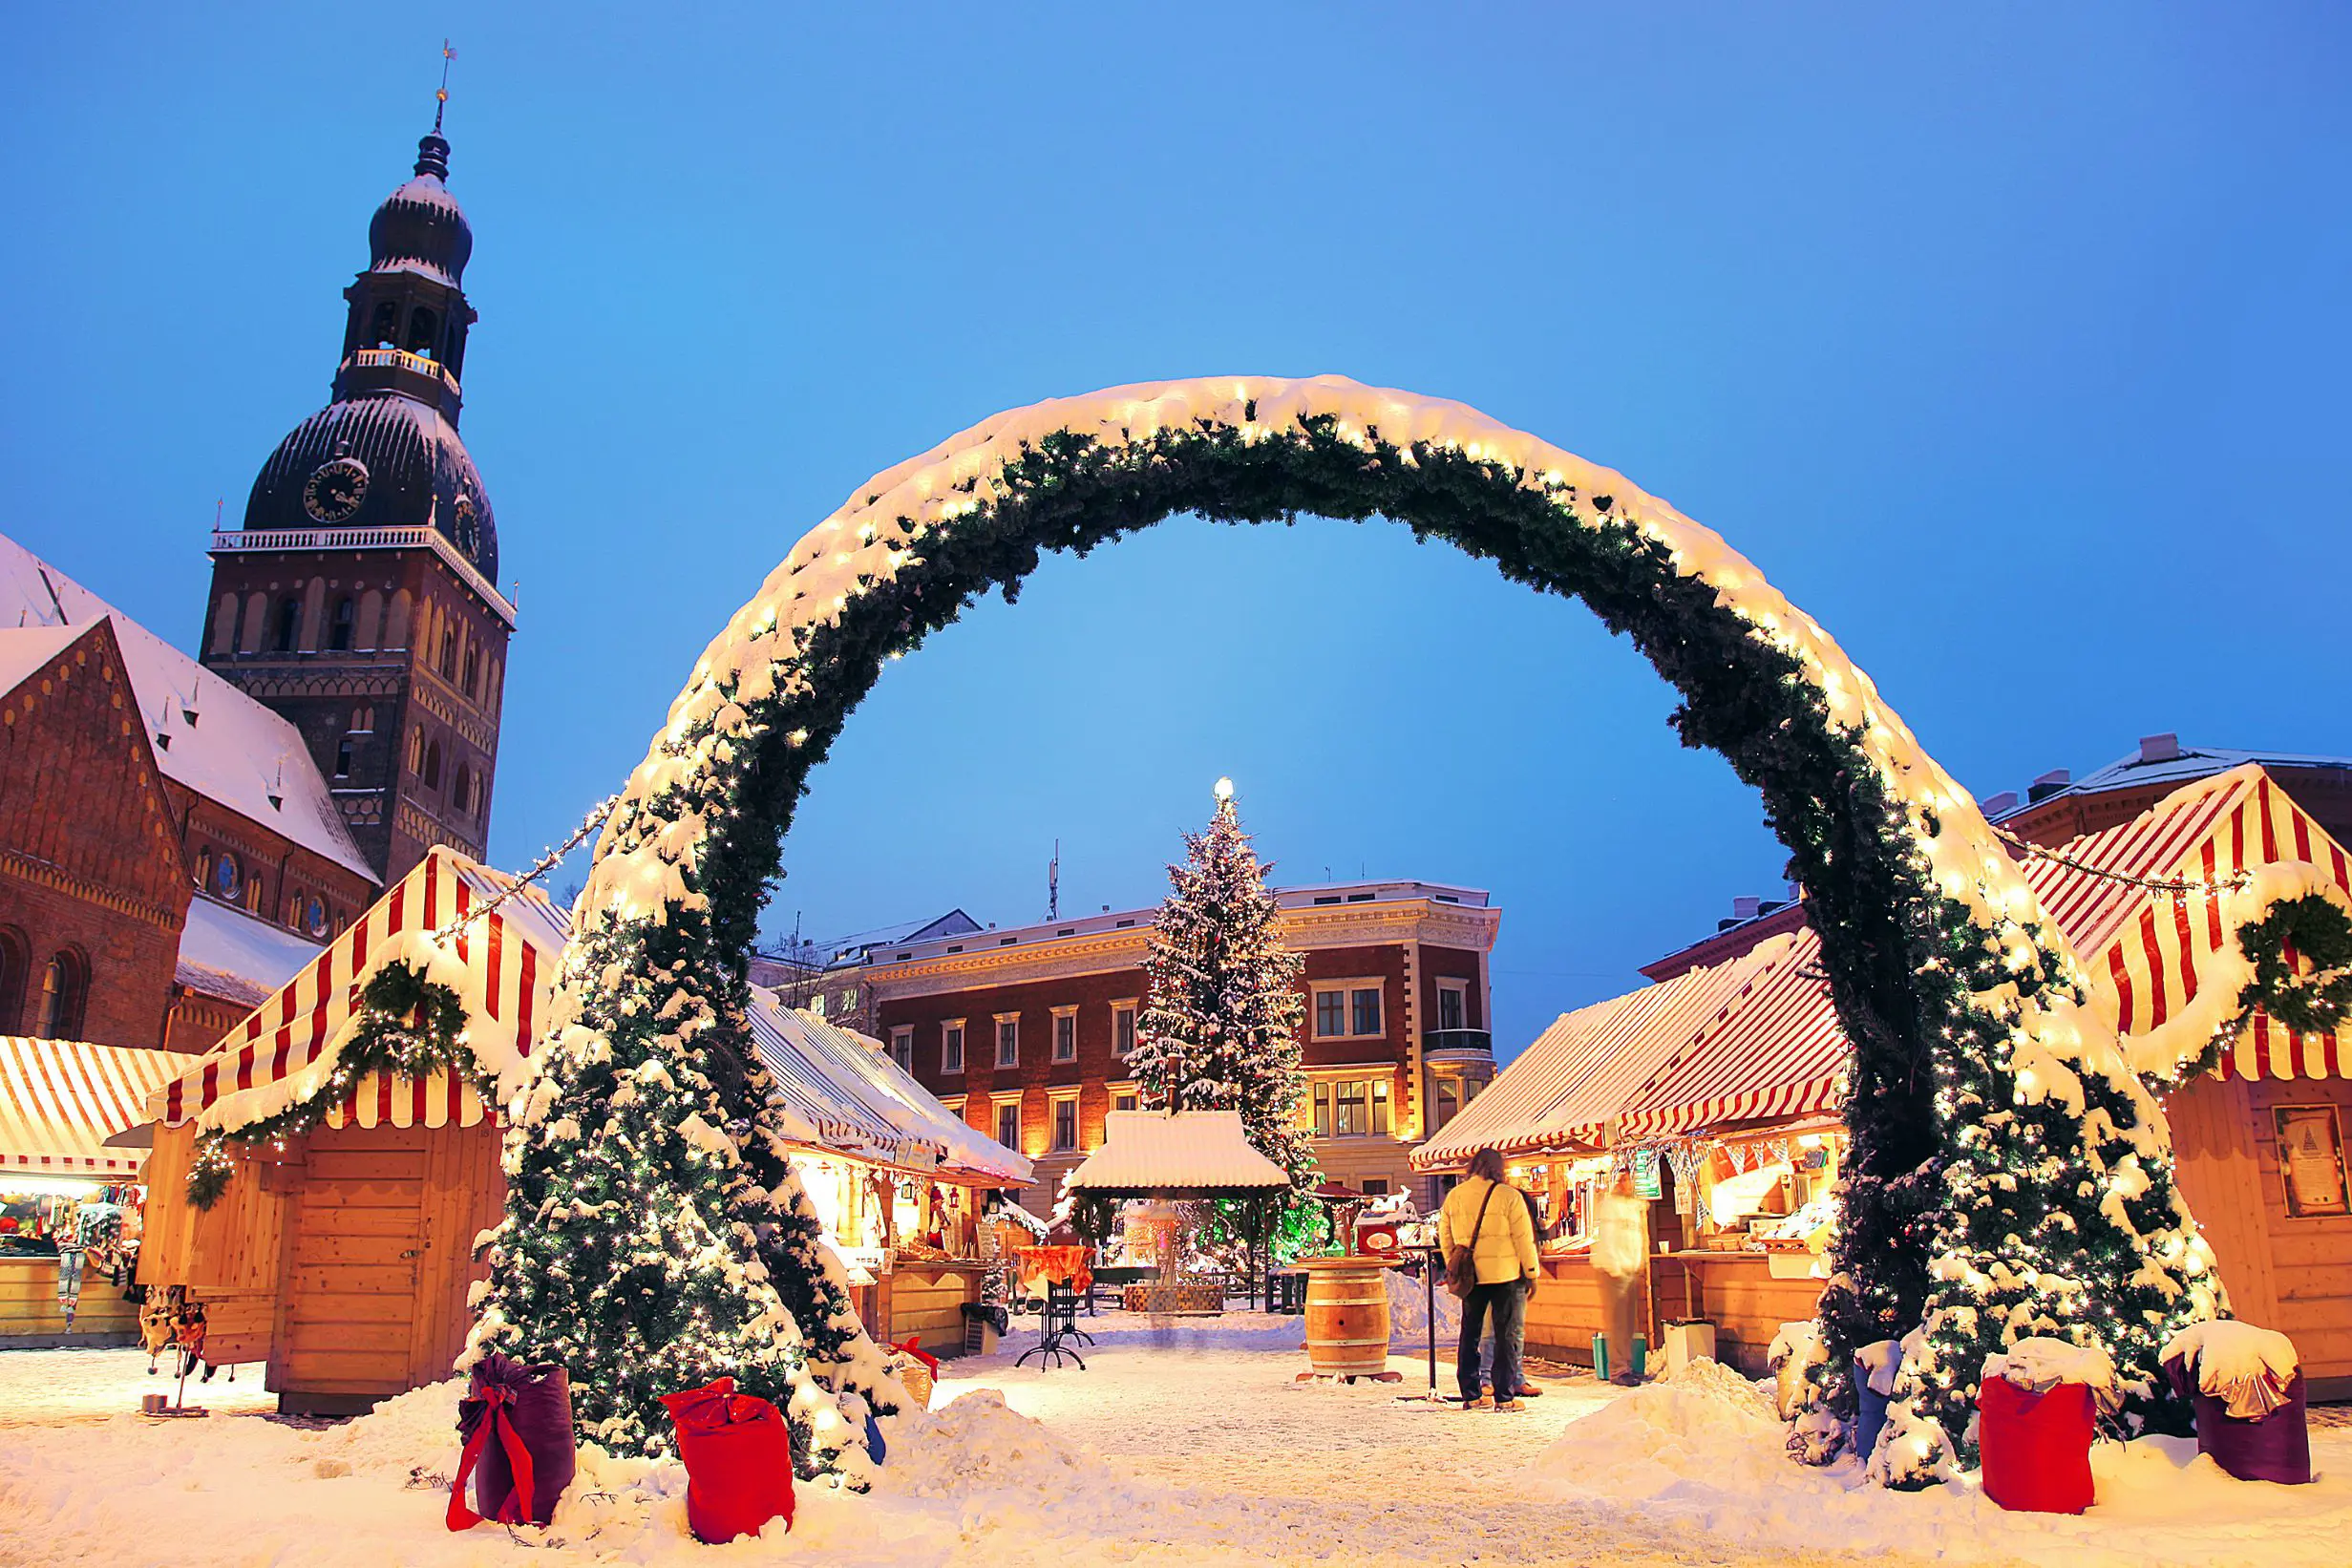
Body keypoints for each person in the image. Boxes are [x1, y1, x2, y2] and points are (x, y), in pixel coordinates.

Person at [1437, 1147, 1538, 1410]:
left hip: (1472, 1276)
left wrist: (1453, 1265)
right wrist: (1531, 1271)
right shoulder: (1509, 1196)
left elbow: (1445, 1235)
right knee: (1506, 1335)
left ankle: (1471, 1394)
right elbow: (1523, 1238)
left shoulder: (1455, 1196)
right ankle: (1504, 1397)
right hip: (1506, 1274)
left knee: (1469, 1333)